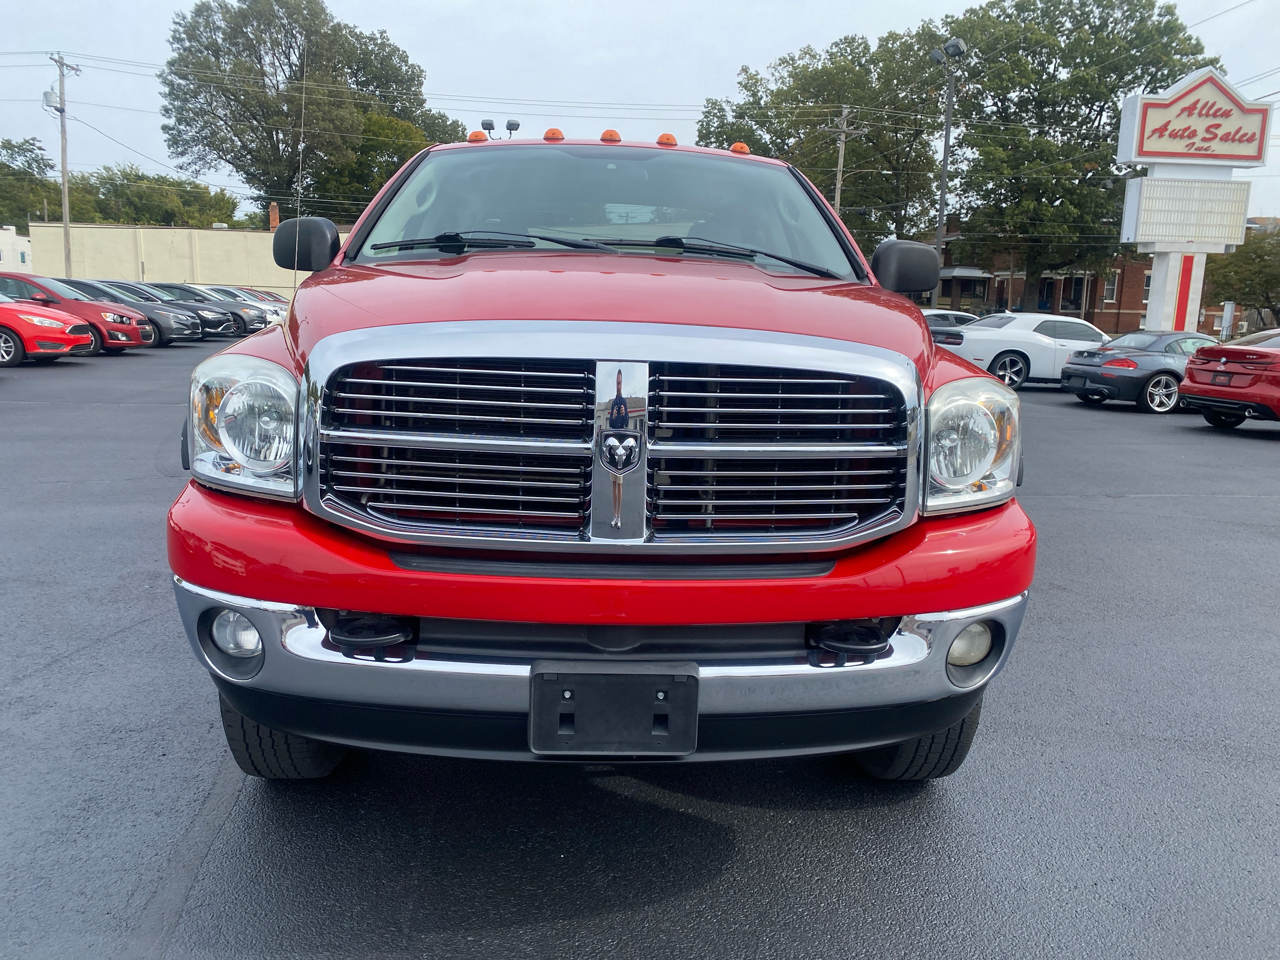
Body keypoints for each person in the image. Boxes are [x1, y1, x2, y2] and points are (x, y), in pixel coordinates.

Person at [607, 369, 628, 529]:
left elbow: (627, 423)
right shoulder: (613, 402)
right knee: (613, 483)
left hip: (622, 447)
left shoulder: (624, 402)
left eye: (620, 382)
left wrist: (624, 413)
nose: (618, 385)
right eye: (617, 382)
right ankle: (614, 515)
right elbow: (610, 424)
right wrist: (613, 417)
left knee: (620, 484)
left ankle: (619, 516)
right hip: (613, 445)